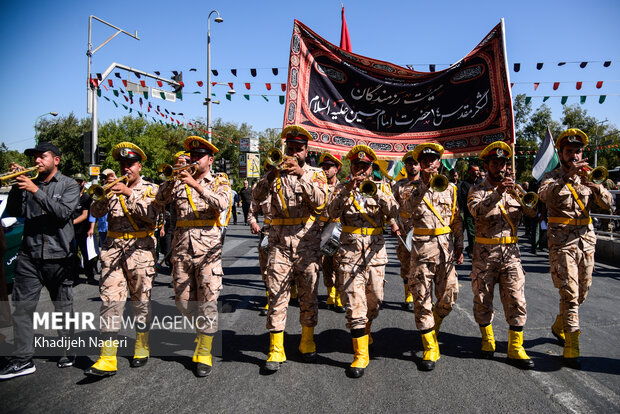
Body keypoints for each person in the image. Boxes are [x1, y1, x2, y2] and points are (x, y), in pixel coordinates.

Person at [0, 142, 79, 379]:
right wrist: (17, 185)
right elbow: (13, 211)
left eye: (42, 156)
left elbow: (63, 213)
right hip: (29, 255)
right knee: (22, 309)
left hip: (59, 255)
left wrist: (34, 189)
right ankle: (23, 359)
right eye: (34, 157)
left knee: (63, 307)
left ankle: (68, 347)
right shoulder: (28, 184)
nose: (36, 161)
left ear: (56, 160)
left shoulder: (69, 185)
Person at [253, 125, 328, 372]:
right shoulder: (274, 172)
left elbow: (320, 202)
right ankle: (276, 348)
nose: (294, 154)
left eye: (299, 150)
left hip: (307, 242)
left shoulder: (316, 174)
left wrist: (300, 176)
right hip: (278, 243)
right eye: (290, 149)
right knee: (276, 294)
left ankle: (307, 340)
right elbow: (255, 197)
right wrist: (270, 177)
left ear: (307, 152)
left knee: (308, 294)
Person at [155, 136, 231, 377]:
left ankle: (205, 351)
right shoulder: (178, 180)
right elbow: (159, 199)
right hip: (181, 250)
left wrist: (197, 185)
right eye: (192, 156)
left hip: (209, 251)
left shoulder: (219, 181)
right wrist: (173, 174)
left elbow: (221, 203)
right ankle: (202, 335)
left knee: (207, 301)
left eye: (199, 157)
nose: (194, 160)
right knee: (184, 301)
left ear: (209, 160)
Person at [538, 128, 613, 369]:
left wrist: (595, 185)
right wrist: (566, 177)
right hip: (561, 243)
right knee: (569, 292)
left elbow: (609, 205)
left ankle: (559, 325)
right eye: (569, 151)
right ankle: (572, 344)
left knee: (582, 292)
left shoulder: (590, 177)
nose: (574, 155)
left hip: (586, 242)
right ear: (560, 154)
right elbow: (544, 196)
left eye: (577, 151)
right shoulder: (551, 176)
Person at [84, 142, 160, 377]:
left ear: (139, 166)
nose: (126, 168)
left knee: (140, 301)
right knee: (110, 301)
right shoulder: (112, 187)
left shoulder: (152, 190)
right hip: (113, 251)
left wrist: (129, 194)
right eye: (123, 164)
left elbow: (153, 219)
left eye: (130, 164)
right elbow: (95, 213)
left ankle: (141, 344)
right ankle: (107, 358)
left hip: (140, 251)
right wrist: (104, 195)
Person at [328, 145, 398, 378]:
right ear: (351, 167)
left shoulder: (382, 187)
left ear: (371, 168)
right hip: (349, 253)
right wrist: (347, 189)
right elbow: (329, 212)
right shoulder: (341, 188)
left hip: (375, 252)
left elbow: (394, 211)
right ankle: (360, 355)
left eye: (365, 166)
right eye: (357, 165)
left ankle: (366, 329)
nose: (360, 170)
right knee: (354, 303)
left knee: (375, 300)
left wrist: (375, 193)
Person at [468, 141, 537, 370]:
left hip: (511, 255)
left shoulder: (515, 190)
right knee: (482, 299)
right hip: (484, 255)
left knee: (516, 300)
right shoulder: (477, 189)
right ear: (487, 165)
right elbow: (477, 211)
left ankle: (515, 347)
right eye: (495, 163)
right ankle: (487, 339)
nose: (500, 167)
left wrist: (522, 196)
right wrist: (498, 193)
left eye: (503, 163)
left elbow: (532, 212)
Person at [402, 143, 463, 371]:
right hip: (421, 250)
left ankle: (433, 325)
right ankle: (429, 345)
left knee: (449, 296)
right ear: (420, 163)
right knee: (421, 297)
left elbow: (456, 219)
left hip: (446, 249)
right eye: (424, 159)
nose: (429, 162)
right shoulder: (410, 188)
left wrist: (460, 245)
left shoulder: (451, 188)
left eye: (433, 159)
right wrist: (423, 188)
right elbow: (406, 210)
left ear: (439, 162)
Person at [390, 150, 421, 311]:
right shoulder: (398, 186)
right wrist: (393, 223)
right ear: (405, 166)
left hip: (423, 231)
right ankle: (408, 295)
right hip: (403, 231)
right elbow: (390, 208)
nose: (412, 166)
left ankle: (423, 296)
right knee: (406, 263)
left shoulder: (427, 185)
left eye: (415, 163)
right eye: (409, 164)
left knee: (424, 265)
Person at [318, 152, 345, 313]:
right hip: (321, 230)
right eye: (324, 167)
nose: (325, 170)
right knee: (326, 264)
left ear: (337, 169)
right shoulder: (318, 186)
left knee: (340, 265)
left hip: (339, 231)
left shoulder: (343, 188)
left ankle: (340, 297)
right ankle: (331, 294)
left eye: (329, 167)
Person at [248, 166, 272, 316]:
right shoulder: (260, 188)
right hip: (268, 232)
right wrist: (253, 222)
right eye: (269, 170)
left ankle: (293, 293)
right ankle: (270, 300)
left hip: (289, 233)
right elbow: (252, 212)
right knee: (266, 269)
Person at [71, 173, 95, 284]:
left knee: (86, 254)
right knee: (72, 253)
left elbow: (85, 215)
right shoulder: (71, 196)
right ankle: (74, 275)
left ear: (83, 183)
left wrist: (71, 223)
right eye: (75, 181)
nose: (77, 183)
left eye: (79, 181)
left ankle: (90, 275)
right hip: (71, 231)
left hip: (83, 230)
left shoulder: (86, 198)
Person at [459, 165, 481, 256]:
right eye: (475, 170)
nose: (477, 172)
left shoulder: (481, 183)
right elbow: (465, 197)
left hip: (480, 212)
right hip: (469, 212)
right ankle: (472, 249)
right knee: (471, 232)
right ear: (471, 172)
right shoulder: (465, 184)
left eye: (478, 170)